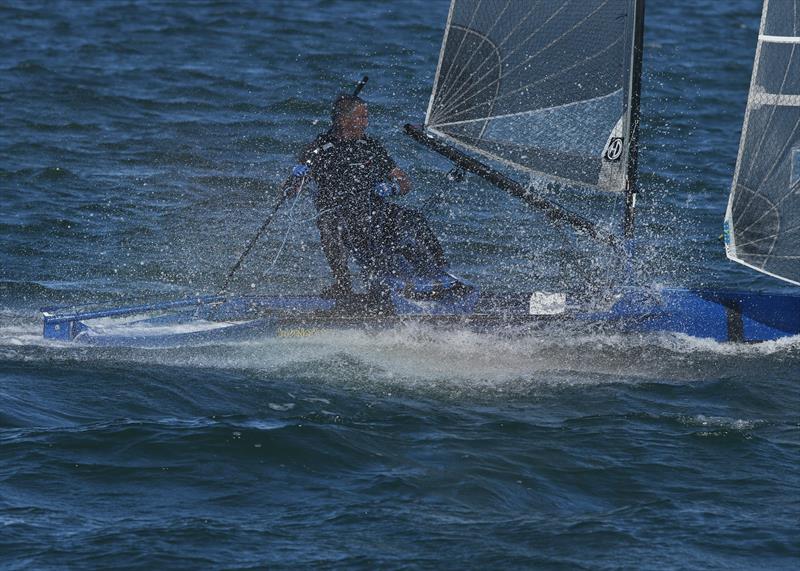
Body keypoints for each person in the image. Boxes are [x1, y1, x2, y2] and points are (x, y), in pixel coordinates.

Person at [284, 93, 447, 301]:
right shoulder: (319, 148)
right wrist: (295, 179)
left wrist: (393, 188)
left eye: (366, 117)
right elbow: (292, 191)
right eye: (361, 118)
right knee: (330, 226)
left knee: (412, 219)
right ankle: (343, 285)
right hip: (337, 214)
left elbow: (405, 182)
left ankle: (440, 273)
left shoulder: (371, 146)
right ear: (343, 120)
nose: (366, 122)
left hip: (372, 210)